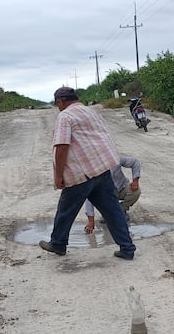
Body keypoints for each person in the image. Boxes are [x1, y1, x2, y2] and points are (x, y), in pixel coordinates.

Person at [39, 87, 136, 260]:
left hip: (81, 173)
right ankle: (127, 248)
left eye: (57, 104)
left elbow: (62, 146)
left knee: (65, 210)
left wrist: (59, 175)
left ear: (60, 102)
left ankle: (58, 244)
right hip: (102, 168)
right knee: (113, 211)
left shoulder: (65, 116)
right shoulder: (91, 112)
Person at [84, 156, 141, 234]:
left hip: (121, 188)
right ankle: (108, 215)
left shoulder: (114, 158)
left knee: (136, 192)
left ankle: (122, 209)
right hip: (105, 196)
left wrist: (135, 180)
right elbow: (89, 197)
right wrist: (91, 221)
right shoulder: (92, 171)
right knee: (109, 215)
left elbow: (134, 162)